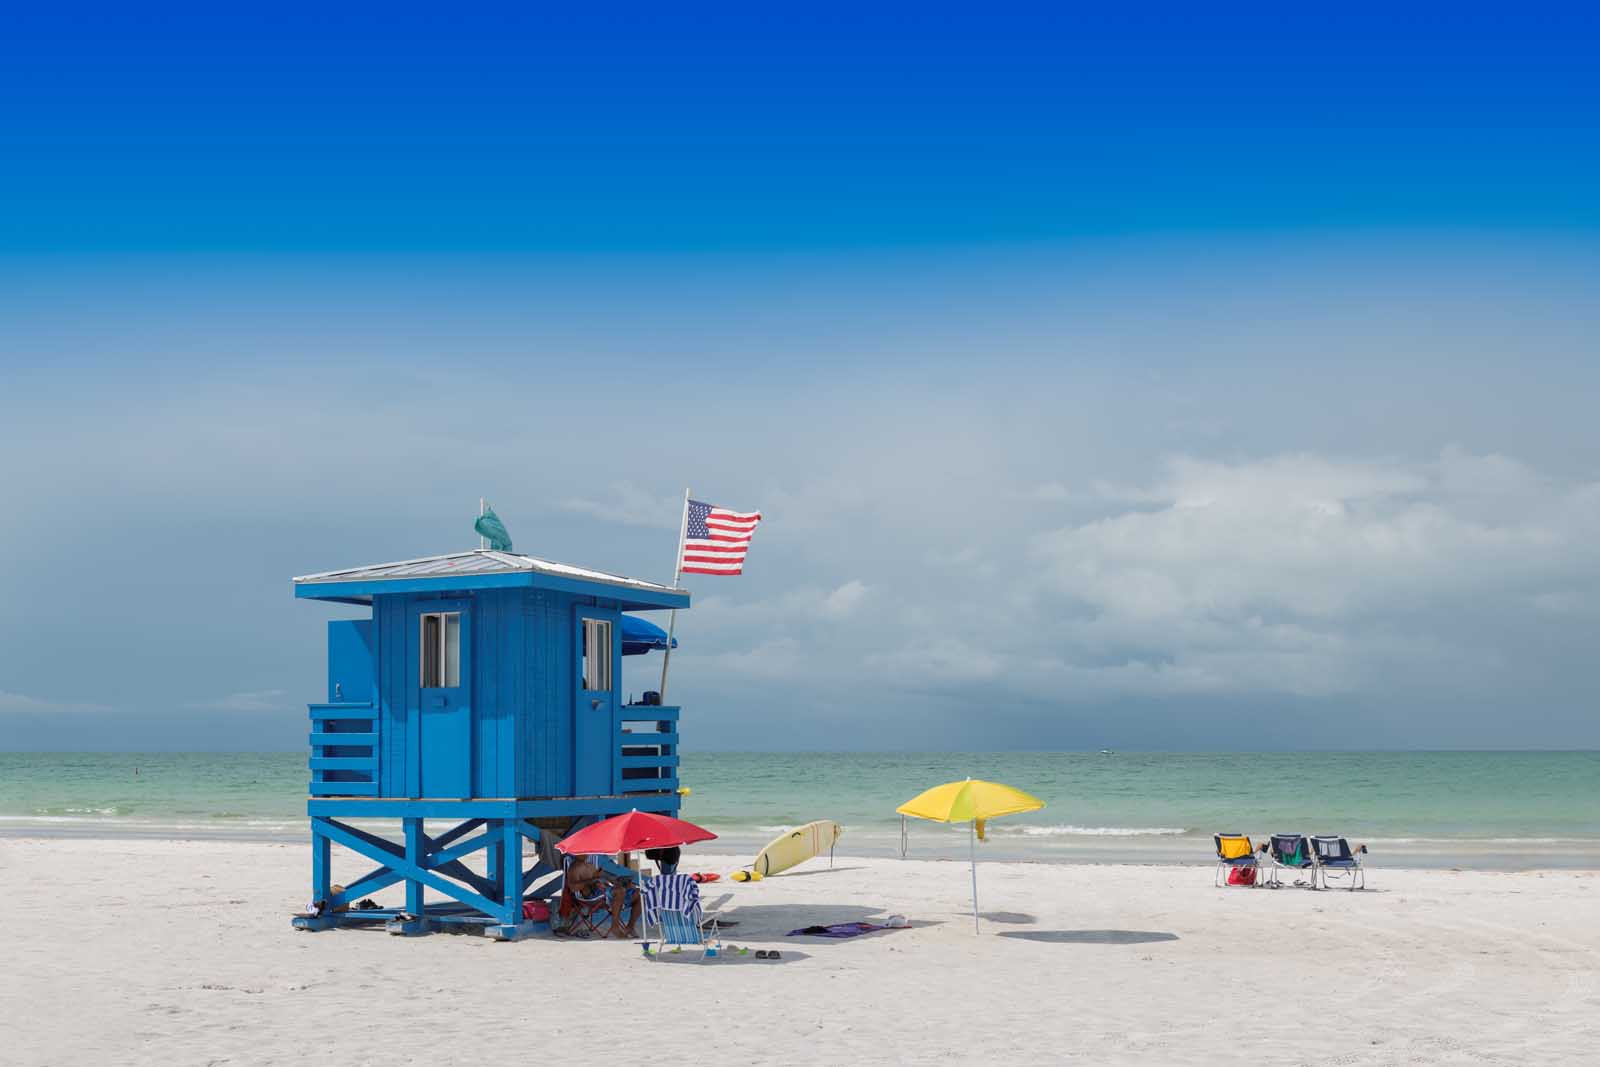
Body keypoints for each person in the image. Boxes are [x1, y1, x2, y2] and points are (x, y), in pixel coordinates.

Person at [557, 856, 637, 938]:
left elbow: (599, 878)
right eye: (583, 851)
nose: (586, 854)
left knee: (638, 893)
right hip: (592, 898)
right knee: (620, 891)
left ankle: (630, 927)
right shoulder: (574, 868)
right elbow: (573, 888)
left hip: (603, 891)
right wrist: (592, 881)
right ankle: (615, 927)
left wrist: (619, 882)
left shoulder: (590, 865)